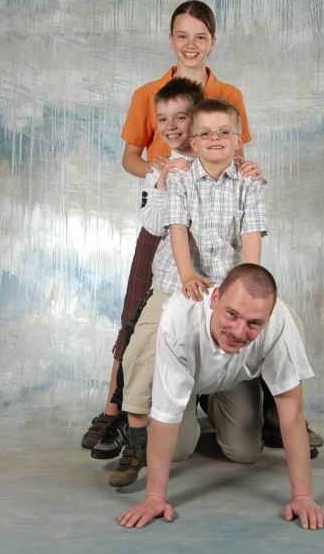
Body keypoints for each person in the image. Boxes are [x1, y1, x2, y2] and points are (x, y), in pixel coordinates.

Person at [81, 0, 256, 453]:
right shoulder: (149, 93)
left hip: (215, 218)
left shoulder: (228, 94)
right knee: (137, 312)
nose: (190, 45)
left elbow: (234, 151)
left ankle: (266, 405)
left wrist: (247, 170)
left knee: (240, 300)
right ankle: (115, 410)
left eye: (200, 36)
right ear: (171, 39)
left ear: (213, 41)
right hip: (165, 214)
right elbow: (130, 158)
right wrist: (158, 171)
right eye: (182, 36)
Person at [108, 99, 267, 486]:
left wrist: (241, 290)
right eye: (206, 133)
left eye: (225, 132)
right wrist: (188, 277)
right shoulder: (178, 175)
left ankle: (228, 399)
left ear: (238, 141)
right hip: (177, 279)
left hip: (226, 283)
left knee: (244, 452)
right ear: (193, 142)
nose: (216, 138)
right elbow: (176, 229)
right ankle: (138, 434)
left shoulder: (250, 182)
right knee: (144, 344)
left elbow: (250, 242)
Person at [117, 264, 324, 531]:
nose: (239, 332)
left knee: (245, 453)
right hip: (187, 379)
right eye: (232, 314)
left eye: (254, 323)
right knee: (178, 451)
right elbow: (165, 416)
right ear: (215, 299)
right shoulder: (179, 319)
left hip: (234, 379)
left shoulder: (279, 321)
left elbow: (292, 411)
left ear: (268, 318)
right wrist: (154, 498)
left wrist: (303, 496)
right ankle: (196, 401)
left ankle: (214, 403)